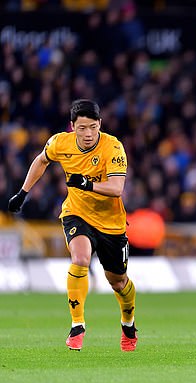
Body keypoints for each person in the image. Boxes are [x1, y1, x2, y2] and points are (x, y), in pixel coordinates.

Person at [7, 99, 138, 351]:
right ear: (72, 127)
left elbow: (116, 188)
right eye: (82, 128)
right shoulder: (60, 142)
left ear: (99, 124)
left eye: (92, 127)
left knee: (118, 282)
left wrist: (87, 184)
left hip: (111, 223)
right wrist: (23, 193)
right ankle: (77, 325)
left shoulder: (113, 147)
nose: (88, 134)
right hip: (76, 213)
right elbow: (41, 160)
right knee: (80, 258)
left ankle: (128, 323)